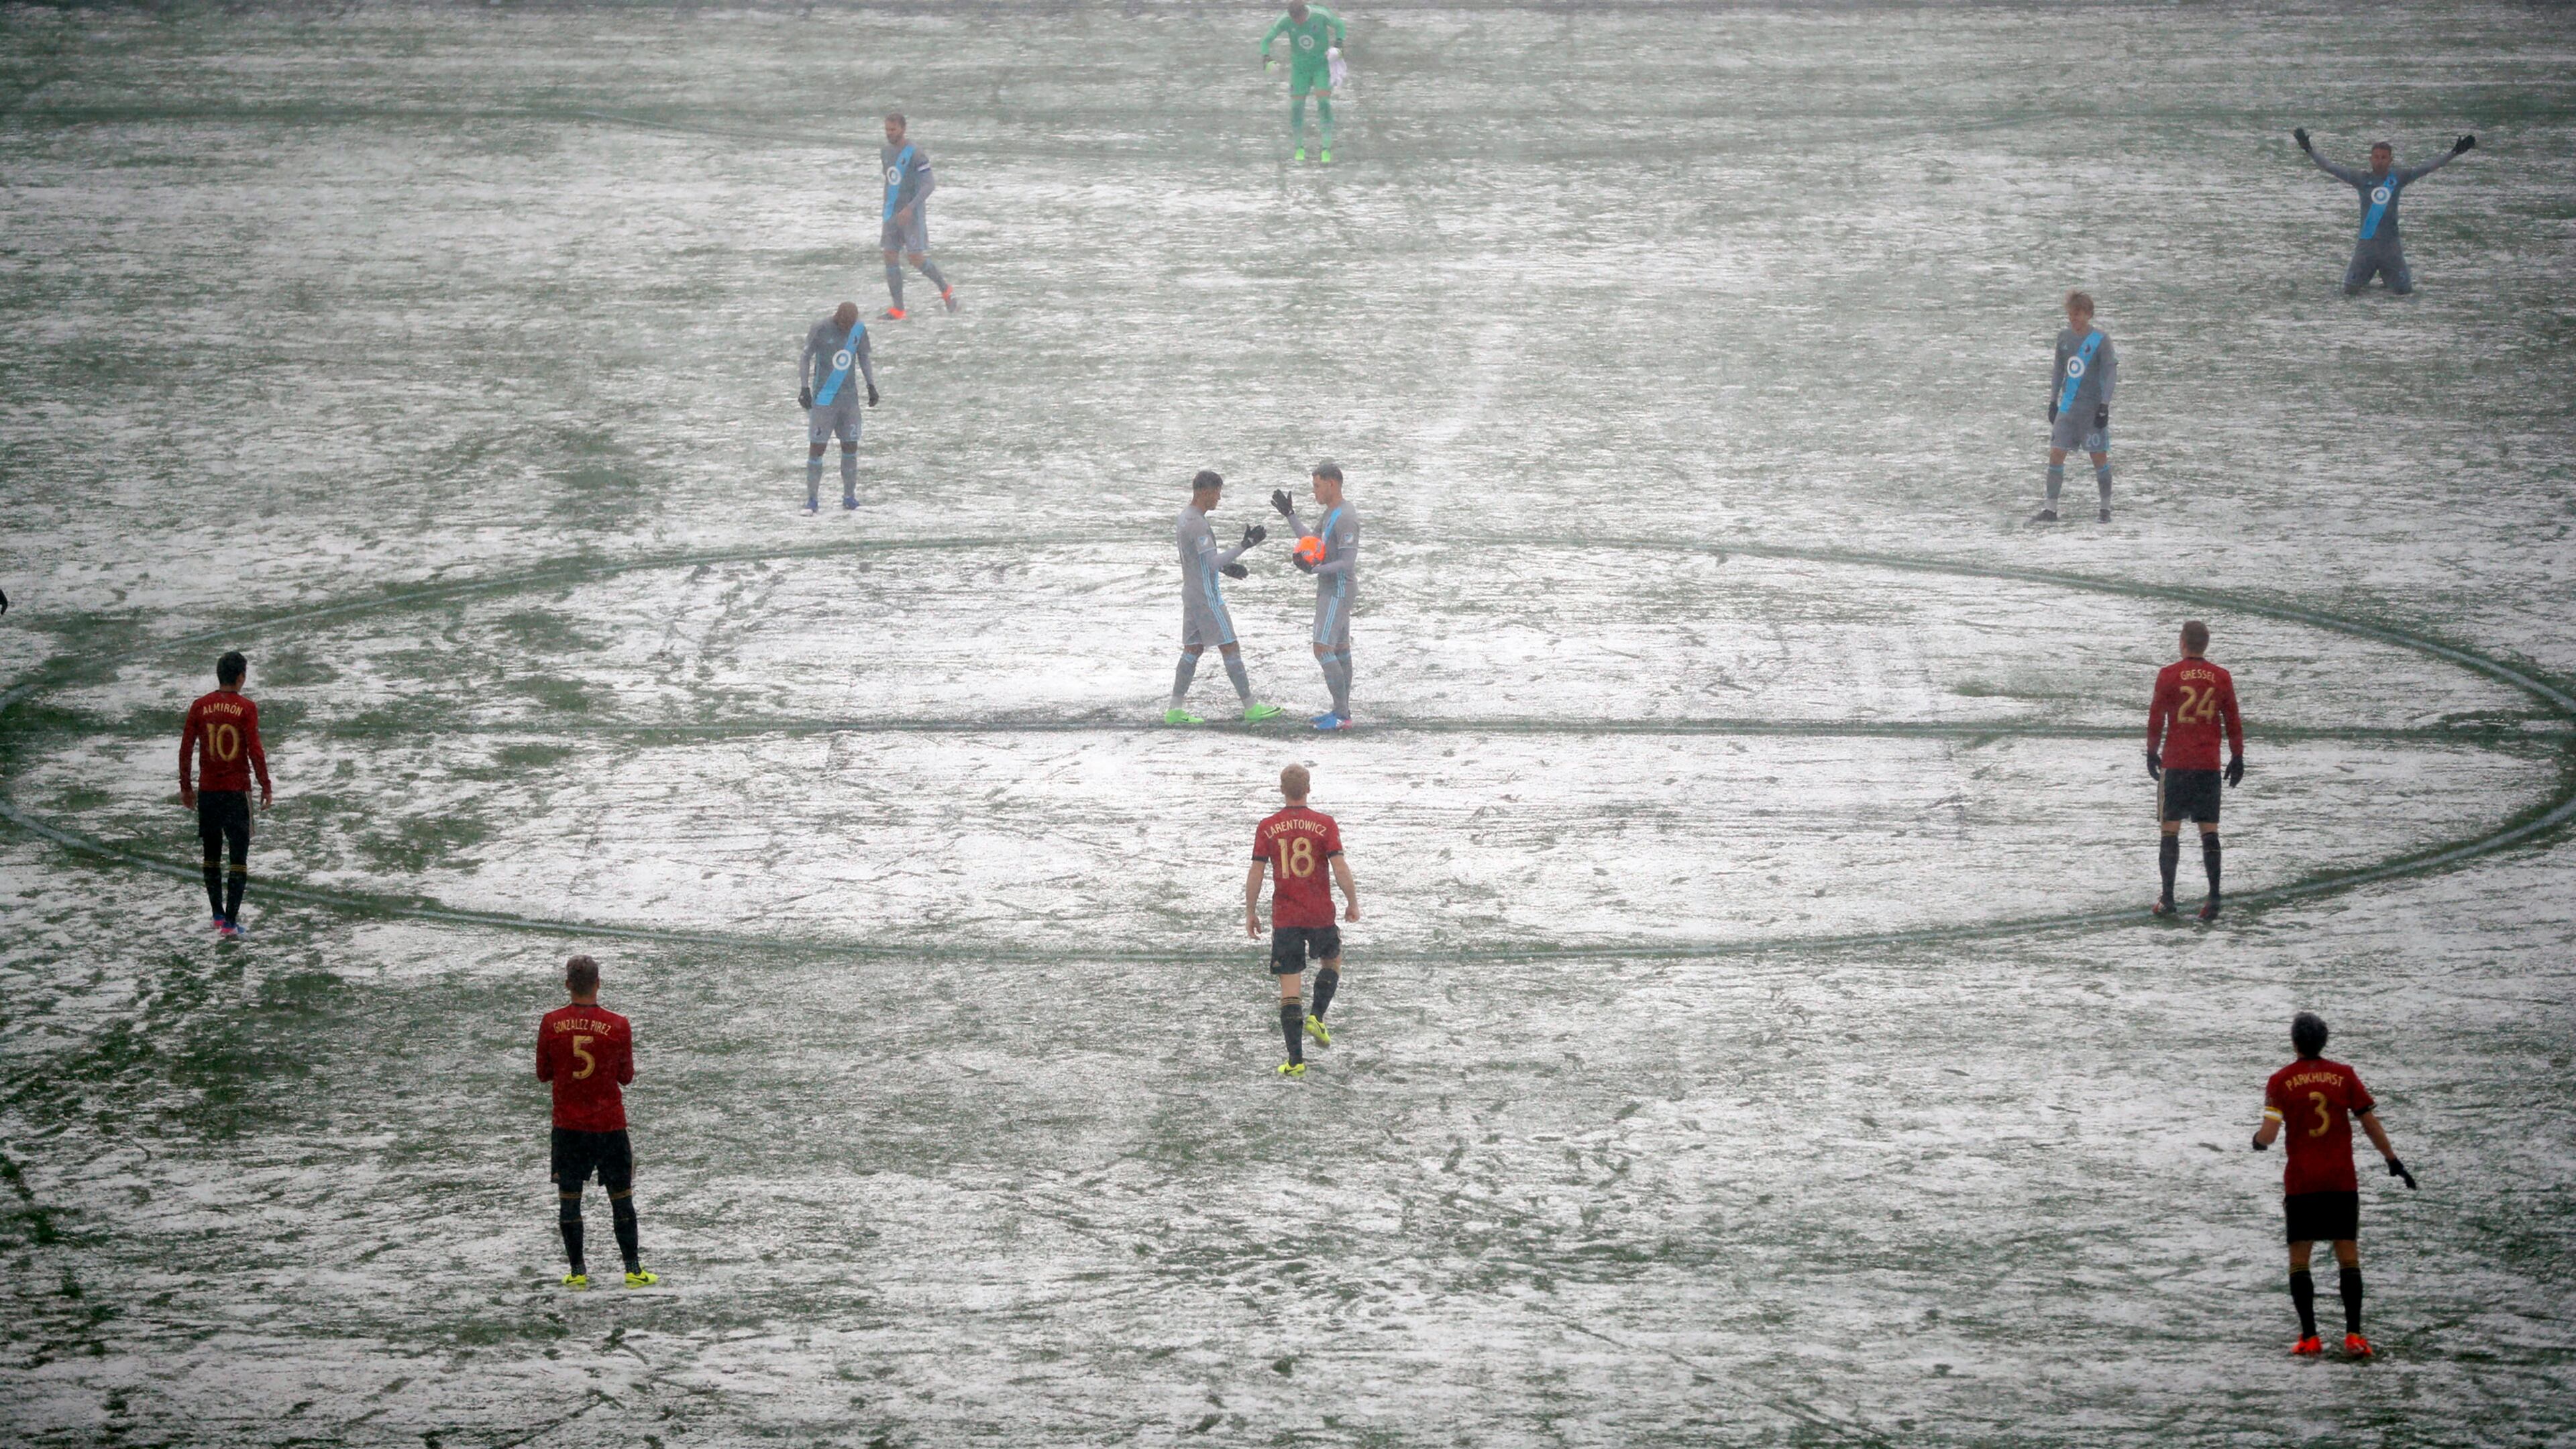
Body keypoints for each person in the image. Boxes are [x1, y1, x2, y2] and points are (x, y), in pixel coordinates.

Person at [2253, 1011, 2416, 1358]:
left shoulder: (2280, 1081)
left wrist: (2257, 1141)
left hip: (2302, 1184)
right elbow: (2370, 1123)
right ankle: (2355, 1336)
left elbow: (2268, 1136)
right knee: (2348, 1256)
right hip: (2341, 1180)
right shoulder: (2345, 1076)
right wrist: (2392, 1160)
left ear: (2294, 1042)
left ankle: (2309, 1337)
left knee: (2300, 1259)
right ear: (2324, 1041)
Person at [536, 955, 657, 1290]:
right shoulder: (618, 1025)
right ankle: (633, 1270)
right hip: (609, 1126)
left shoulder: (550, 1022)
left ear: (568, 985)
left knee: (570, 1200)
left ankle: (577, 1273)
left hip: (568, 1127)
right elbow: (627, 1077)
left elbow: (543, 1074)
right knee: (622, 1197)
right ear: (598, 983)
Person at [1244, 764, 1359, 1077]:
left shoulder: (1268, 826)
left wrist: (1250, 910)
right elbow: (1339, 867)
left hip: (1286, 918)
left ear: (1282, 789)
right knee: (1332, 962)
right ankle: (1317, 1016)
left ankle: (1295, 1062)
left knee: (1289, 990)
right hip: (1320, 913)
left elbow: (1257, 871)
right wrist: (1352, 901)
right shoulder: (1325, 824)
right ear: (1309, 788)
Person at [2294, 130, 2475, 296]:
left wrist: (2454, 153)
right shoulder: (2361, 179)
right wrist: (2309, 150)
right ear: (2371, 159)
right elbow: (2330, 167)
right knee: (2349, 292)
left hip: (2391, 249)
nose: (2380, 160)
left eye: (2384, 157)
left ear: (2390, 161)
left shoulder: (2397, 179)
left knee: (2405, 293)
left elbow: (2427, 168)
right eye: (2376, 157)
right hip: (2366, 248)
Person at [1169, 470, 1286, 725]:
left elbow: (1199, 560)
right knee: (1230, 646)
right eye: (1217, 493)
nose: (1219, 498)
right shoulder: (1198, 522)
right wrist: (1246, 545)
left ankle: (1175, 709)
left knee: (1193, 649)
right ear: (1205, 492)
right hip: (1207, 598)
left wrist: (1227, 568)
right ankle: (1251, 707)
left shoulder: (1185, 518)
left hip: (1190, 594)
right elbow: (1211, 562)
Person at [2145, 620, 2244, 920]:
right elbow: (2233, 720)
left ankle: (2169, 899)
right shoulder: (2222, 677)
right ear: (2206, 644)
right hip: (2208, 765)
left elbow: (2156, 718)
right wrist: (2237, 756)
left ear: (2182, 642)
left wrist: (2151, 751)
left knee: (2169, 829)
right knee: (2209, 830)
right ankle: (2213, 899)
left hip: (2176, 763)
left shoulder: (2168, 675)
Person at [178, 650, 272, 939]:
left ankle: (217, 915)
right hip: (236, 791)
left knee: (211, 854)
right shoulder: (246, 708)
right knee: (238, 857)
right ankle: (231, 921)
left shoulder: (199, 706)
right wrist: (265, 784)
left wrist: (186, 786)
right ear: (241, 677)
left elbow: (185, 749)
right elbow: (254, 750)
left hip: (208, 791)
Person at [1271, 462, 1361, 729]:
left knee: (1322, 648)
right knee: (1340, 648)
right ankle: (1341, 711)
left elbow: (1347, 561)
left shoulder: (1346, 517)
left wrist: (1315, 569)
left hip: (1338, 589)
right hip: (1330, 587)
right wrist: (1290, 515)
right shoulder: (1331, 512)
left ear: (1332, 484)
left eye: (1317, 486)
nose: (1314, 492)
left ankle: (1343, 716)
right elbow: (1313, 542)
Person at [2037, 291, 2116, 523]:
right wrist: (2053, 401)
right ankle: (2050, 510)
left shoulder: (2101, 340)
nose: (2073, 318)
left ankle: (2105, 509)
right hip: (2068, 409)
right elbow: (2058, 371)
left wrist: (2105, 406)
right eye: (2071, 314)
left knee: (2099, 457)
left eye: (2078, 314)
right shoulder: (2063, 339)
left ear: (2088, 314)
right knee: (2056, 453)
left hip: (2092, 411)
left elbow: (2111, 373)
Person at [798, 301, 879, 514]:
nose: (847, 327)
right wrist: (804, 388)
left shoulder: (858, 330)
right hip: (824, 400)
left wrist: (871, 386)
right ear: (837, 316)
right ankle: (812, 500)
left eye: (850, 323)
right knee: (817, 447)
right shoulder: (821, 329)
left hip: (849, 400)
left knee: (851, 446)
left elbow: (864, 358)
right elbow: (806, 357)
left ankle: (849, 497)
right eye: (844, 322)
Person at [879, 113, 957, 320]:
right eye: (887, 130)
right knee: (889, 254)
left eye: (893, 130)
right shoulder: (885, 152)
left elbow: (929, 185)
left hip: (911, 215)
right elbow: (890, 181)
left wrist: (910, 208)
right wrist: (888, 209)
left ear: (903, 129)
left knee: (915, 258)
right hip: (891, 213)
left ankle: (946, 289)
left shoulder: (916, 154)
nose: (889, 134)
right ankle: (898, 309)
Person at [1260, 3, 1346, 163]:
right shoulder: (1286, 20)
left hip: (1321, 67)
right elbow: (1266, 40)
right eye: (1294, 20)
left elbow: (1339, 25)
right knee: (1296, 107)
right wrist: (1266, 58)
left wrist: (1339, 43)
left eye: (1299, 19)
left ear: (1304, 13)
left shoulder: (1320, 15)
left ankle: (1326, 148)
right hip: (1300, 70)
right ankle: (1299, 147)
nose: (1297, 23)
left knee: (1324, 103)